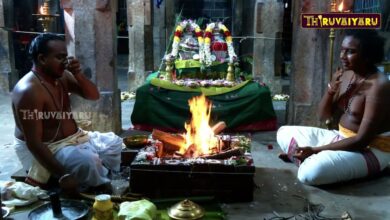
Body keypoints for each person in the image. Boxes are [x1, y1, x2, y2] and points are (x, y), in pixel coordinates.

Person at [11, 33, 122, 193]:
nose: (65, 62)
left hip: (73, 139)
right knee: (89, 162)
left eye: (66, 57)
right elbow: (34, 143)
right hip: (46, 147)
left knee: (114, 142)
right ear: (42, 59)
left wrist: (78, 74)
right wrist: (63, 175)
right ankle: (93, 183)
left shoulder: (61, 77)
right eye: (60, 57)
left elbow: (93, 95)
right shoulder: (29, 91)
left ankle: (91, 174)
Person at [277, 29, 390, 185]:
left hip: (370, 149)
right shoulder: (348, 74)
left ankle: (307, 158)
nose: (342, 56)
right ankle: (308, 157)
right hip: (341, 137)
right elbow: (324, 116)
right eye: (342, 50)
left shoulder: (379, 85)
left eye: (350, 52)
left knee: (309, 174)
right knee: (283, 131)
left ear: (367, 55)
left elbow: (362, 140)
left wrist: (315, 150)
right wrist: (331, 90)